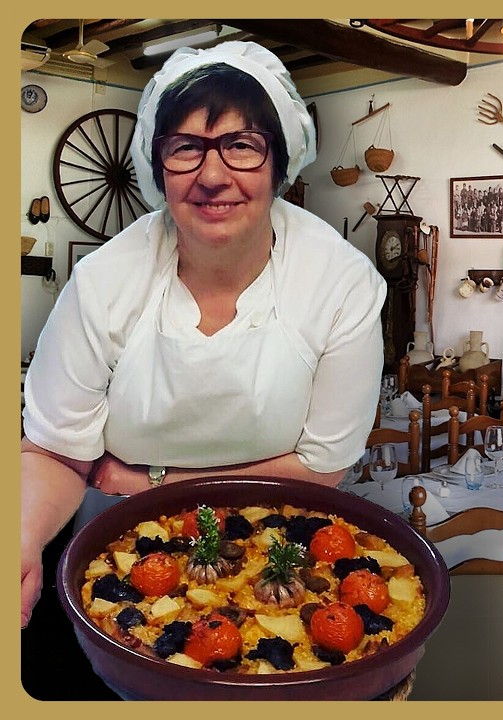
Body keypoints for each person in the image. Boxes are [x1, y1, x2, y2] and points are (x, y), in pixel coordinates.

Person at [19, 41, 387, 628]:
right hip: (115, 551)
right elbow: (54, 453)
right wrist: (20, 541)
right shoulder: (102, 282)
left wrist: (153, 481)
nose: (212, 176)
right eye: (187, 149)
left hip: (282, 554)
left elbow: (323, 468)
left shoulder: (340, 284)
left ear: (279, 163)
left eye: (241, 146)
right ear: (157, 166)